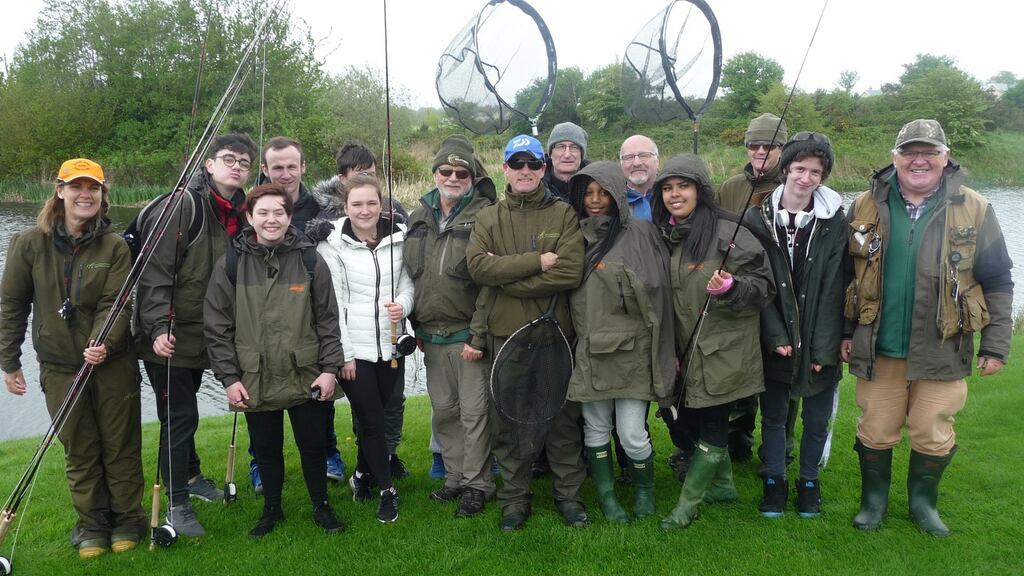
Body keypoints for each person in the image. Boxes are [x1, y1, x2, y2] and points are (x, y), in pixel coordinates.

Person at [841, 119, 1013, 537]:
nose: (920, 160)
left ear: (945, 157)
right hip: (878, 345)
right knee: (876, 427)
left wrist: (996, 345)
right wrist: (845, 333)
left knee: (932, 429)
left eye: (930, 152)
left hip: (944, 346)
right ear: (894, 157)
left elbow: (998, 280)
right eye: (910, 152)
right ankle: (873, 503)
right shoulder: (864, 205)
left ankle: (923, 504)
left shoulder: (976, 207)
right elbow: (845, 275)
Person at [1, 158, 147, 558]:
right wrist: (9, 361)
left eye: (94, 188)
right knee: (79, 449)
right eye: (77, 187)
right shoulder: (28, 244)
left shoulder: (115, 247)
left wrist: (102, 343)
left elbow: (117, 303)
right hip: (60, 367)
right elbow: (12, 304)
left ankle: (129, 519)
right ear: (60, 191)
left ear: (103, 196)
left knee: (120, 446)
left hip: (112, 364)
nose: (86, 195)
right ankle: (92, 525)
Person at [204, 183, 346, 538]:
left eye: (278, 212)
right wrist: (229, 378)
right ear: (249, 217)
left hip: (306, 373)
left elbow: (328, 319)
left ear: (289, 216)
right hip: (255, 376)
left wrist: (330, 370)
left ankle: (321, 506)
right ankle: (272, 510)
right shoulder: (231, 263)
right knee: (266, 450)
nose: (271, 219)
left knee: (313, 446)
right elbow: (217, 326)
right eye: (262, 213)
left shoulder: (311, 259)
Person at [135, 133, 256, 536]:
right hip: (169, 336)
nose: (236, 166)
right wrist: (157, 326)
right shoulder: (184, 205)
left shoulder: (241, 211)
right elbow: (155, 272)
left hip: (206, 334)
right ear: (208, 164)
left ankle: (190, 476)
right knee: (180, 417)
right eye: (228, 159)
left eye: (243, 161)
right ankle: (177, 505)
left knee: (184, 414)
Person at [466, 134, 586, 531]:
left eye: (533, 164)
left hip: (555, 336)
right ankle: (515, 501)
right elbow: (479, 269)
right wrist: (536, 262)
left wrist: (510, 277)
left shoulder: (564, 214)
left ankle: (569, 497)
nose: (525, 171)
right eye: (517, 164)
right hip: (506, 336)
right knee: (509, 423)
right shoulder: (487, 218)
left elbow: (569, 272)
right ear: (505, 169)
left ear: (543, 168)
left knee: (562, 421)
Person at [651, 154, 774, 530]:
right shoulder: (664, 233)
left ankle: (688, 505)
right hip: (684, 350)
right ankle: (723, 486)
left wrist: (731, 287)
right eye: (668, 188)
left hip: (725, 351)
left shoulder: (729, 231)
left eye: (683, 186)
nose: (675, 195)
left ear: (700, 191)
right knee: (687, 420)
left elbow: (764, 287)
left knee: (714, 425)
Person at [742, 132, 845, 518]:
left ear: (823, 176)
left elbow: (838, 285)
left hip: (822, 339)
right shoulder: (756, 218)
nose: (806, 178)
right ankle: (774, 481)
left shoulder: (836, 221)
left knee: (816, 419)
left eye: (815, 172)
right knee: (773, 417)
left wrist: (823, 347)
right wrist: (776, 336)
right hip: (775, 340)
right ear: (785, 169)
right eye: (800, 169)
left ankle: (808, 482)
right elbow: (758, 283)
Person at [566, 161, 674, 523]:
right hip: (590, 350)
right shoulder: (572, 236)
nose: (595, 201)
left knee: (632, 433)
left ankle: (645, 491)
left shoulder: (642, 233)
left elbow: (659, 292)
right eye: (588, 194)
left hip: (633, 351)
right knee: (595, 428)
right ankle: (608, 498)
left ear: (617, 197)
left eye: (603, 194)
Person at [404, 135, 496, 517]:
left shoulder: (489, 215)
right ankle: (456, 476)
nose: (453, 177)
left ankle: (479, 484)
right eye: (446, 170)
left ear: (473, 176)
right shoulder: (417, 216)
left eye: (462, 172)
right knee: (444, 411)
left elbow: (493, 283)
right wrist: (415, 324)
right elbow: (408, 277)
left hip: (470, 336)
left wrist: (479, 334)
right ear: (435, 173)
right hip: (430, 335)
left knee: (475, 413)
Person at [308, 141, 411, 481]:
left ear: (383, 203)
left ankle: (367, 471)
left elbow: (408, 285)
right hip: (354, 348)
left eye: (372, 203)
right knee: (369, 416)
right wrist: (344, 355)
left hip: (391, 343)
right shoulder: (330, 240)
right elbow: (331, 303)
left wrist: (405, 306)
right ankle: (383, 489)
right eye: (357, 203)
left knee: (385, 410)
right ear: (345, 201)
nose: (365, 210)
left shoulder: (400, 234)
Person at [256, 136, 347, 490]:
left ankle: (328, 453)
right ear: (265, 170)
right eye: (276, 167)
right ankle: (260, 463)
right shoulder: (255, 207)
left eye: (291, 166)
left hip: (311, 315)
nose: (285, 173)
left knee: (318, 395)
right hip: (263, 315)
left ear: (303, 167)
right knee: (261, 393)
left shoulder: (323, 209)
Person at [715, 112, 791, 466]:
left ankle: (780, 448)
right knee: (739, 372)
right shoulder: (729, 188)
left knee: (783, 378)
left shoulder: (797, 184)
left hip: (785, 295)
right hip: (740, 294)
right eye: (753, 145)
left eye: (770, 145)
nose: (760, 151)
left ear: (783, 148)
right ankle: (736, 440)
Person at [543, 121, 590, 203]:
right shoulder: (534, 188)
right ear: (551, 153)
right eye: (561, 147)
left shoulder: (599, 184)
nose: (567, 155)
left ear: (582, 154)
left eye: (574, 147)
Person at [619, 135, 661, 221]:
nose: (636, 163)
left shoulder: (672, 197)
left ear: (657, 161)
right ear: (621, 164)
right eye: (629, 157)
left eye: (644, 155)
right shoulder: (613, 202)